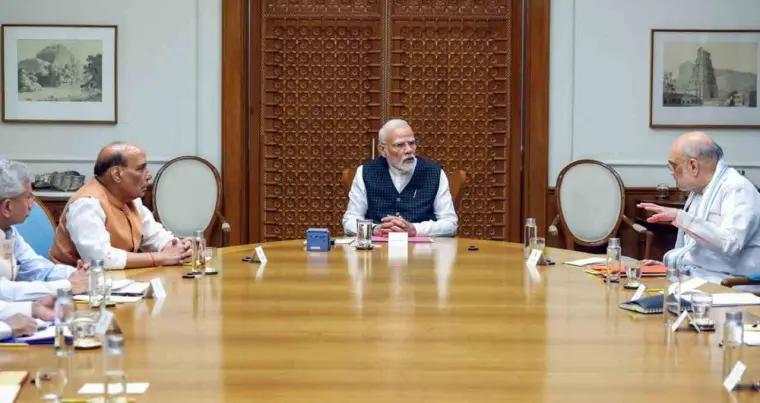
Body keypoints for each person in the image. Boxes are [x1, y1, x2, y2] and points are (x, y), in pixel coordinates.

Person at [637, 131, 760, 284]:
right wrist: (669, 268)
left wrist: (680, 217)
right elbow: (698, 252)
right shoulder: (699, 191)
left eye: (673, 166)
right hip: (701, 277)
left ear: (693, 166)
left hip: (730, 284)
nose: (671, 173)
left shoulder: (737, 188)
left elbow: (730, 244)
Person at [50, 142, 192, 270]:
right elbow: (101, 259)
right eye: (140, 169)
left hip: (117, 282)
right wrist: (160, 258)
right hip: (76, 285)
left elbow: (154, 236)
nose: (149, 175)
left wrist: (179, 248)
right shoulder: (86, 204)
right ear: (117, 174)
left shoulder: (131, 200)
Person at [342, 119, 458, 237]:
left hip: (422, 248)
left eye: (412, 143)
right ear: (382, 150)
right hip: (378, 247)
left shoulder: (434, 173)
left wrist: (415, 229)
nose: (409, 150)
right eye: (400, 145)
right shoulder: (365, 172)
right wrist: (374, 229)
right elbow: (350, 221)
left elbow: (450, 223)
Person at [0, 159, 89, 301]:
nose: (33, 204)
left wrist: (76, 274)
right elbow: (3, 291)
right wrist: (67, 286)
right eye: (28, 197)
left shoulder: (9, 231)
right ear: (7, 207)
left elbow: (38, 269)